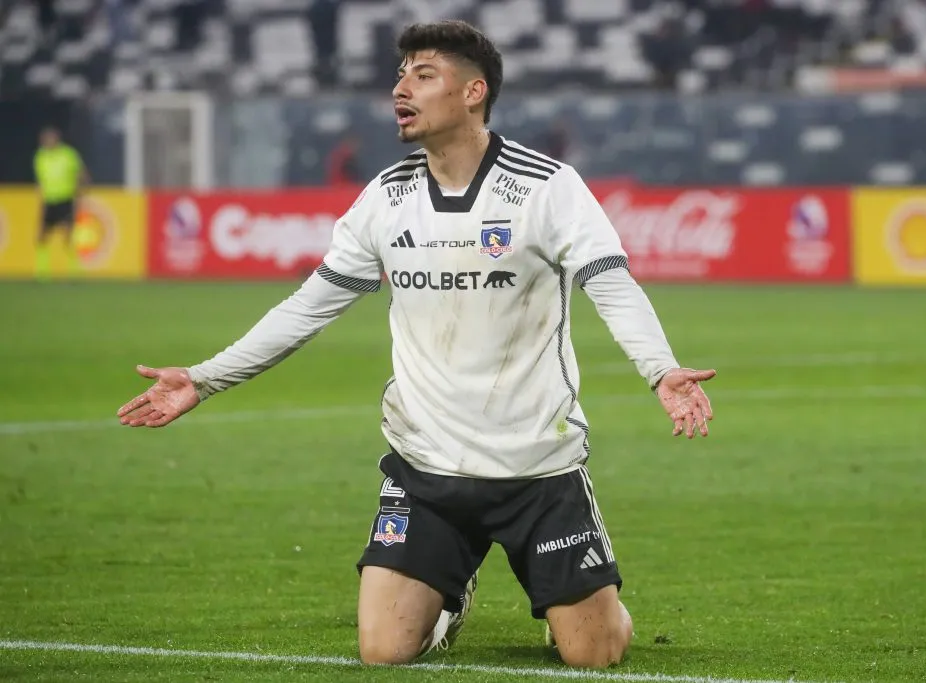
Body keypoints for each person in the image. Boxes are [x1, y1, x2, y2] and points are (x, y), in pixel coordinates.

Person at [116, 20, 716, 670]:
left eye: (423, 75)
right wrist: (204, 377)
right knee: (384, 650)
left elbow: (611, 283)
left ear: (473, 92)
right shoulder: (386, 197)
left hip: (536, 469)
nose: (401, 88)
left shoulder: (547, 187)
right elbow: (307, 307)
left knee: (593, 653)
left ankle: (586, 609)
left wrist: (660, 369)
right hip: (426, 469)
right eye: (401, 74)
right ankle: (450, 598)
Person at [33, 126, 90, 280]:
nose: (47, 142)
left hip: (66, 199)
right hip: (49, 200)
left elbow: (81, 173)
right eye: (45, 139)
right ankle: (42, 273)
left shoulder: (68, 154)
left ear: (57, 139)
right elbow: (40, 179)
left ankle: (74, 272)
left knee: (68, 235)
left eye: (50, 139)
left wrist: (81, 189)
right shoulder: (40, 156)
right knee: (41, 236)